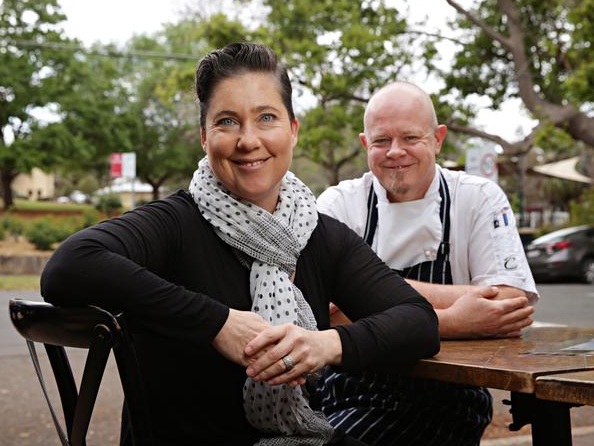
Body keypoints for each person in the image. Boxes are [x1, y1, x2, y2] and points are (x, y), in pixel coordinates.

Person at [40, 45, 440, 446]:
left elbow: (418, 321)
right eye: (227, 122)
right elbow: (70, 266)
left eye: (266, 118)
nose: (249, 140)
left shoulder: (319, 235)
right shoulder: (176, 223)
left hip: (297, 436)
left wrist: (324, 344)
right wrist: (217, 323)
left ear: (293, 130)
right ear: (204, 137)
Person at [315, 81, 539, 446]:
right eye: (381, 141)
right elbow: (322, 309)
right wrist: (457, 319)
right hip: (342, 388)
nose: (395, 152)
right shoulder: (339, 203)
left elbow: (509, 305)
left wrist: (360, 294)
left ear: (438, 139)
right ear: (363, 144)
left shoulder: (478, 198)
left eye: (410, 138)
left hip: (445, 398)